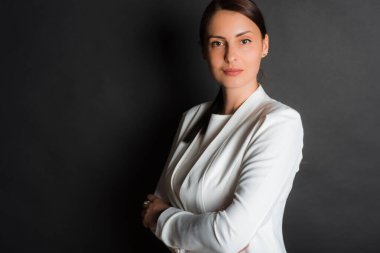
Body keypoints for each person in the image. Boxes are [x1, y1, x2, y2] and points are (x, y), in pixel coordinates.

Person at [142, 0, 304, 252]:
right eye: (218, 43)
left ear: (265, 45)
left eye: (244, 41)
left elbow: (227, 237)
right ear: (204, 51)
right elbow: (156, 202)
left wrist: (162, 219)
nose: (231, 55)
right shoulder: (192, 117)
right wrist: (175, 223)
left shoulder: (278, 123)